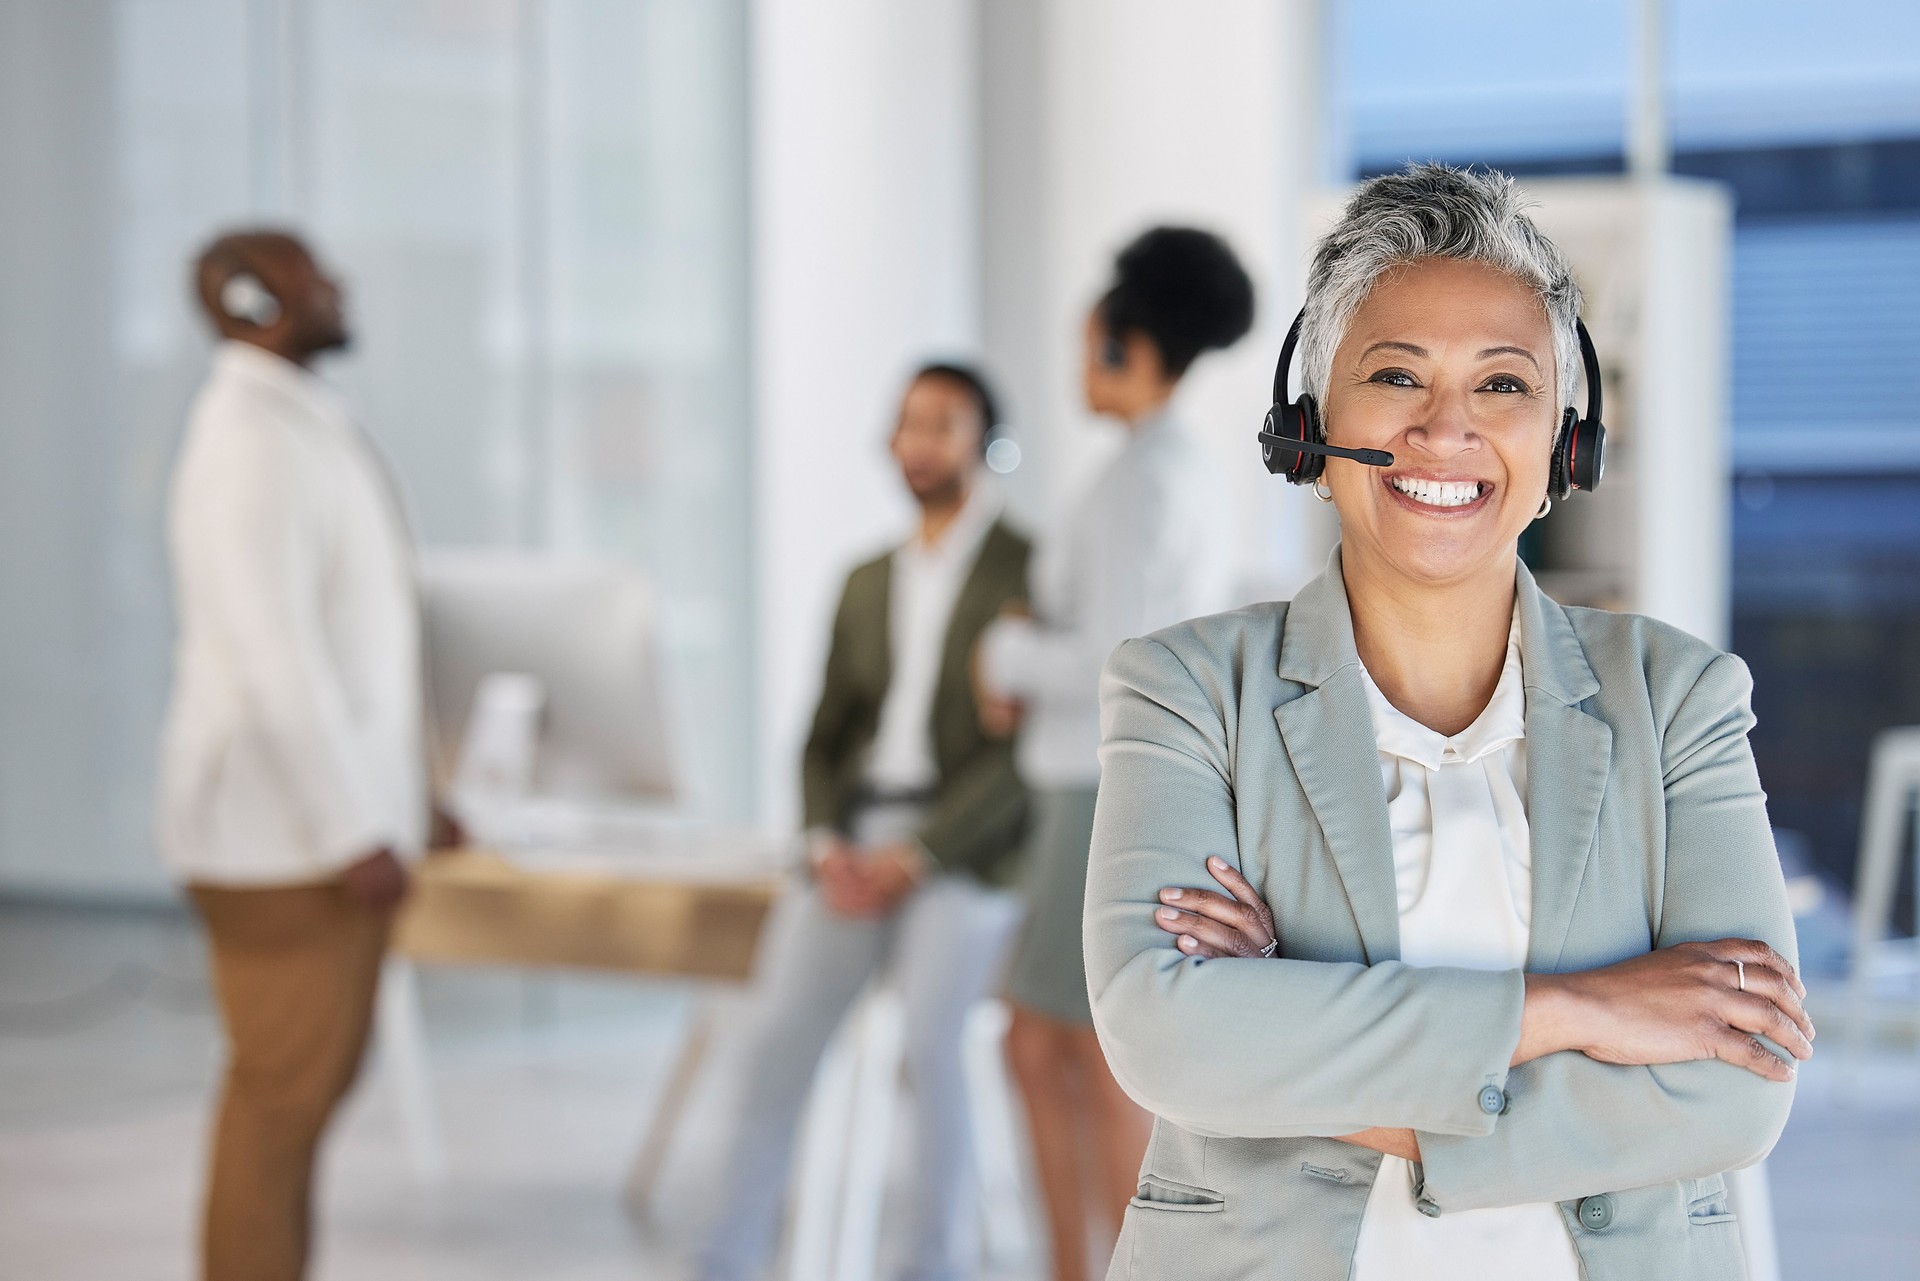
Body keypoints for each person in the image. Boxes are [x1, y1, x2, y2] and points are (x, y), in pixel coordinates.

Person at [1086, 165, 1811, 1280]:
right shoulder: (1184, 689)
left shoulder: (1680, 698)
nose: (1445, 429)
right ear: (1310, 427)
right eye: (1395, 375)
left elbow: (1740, 1079)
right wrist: (1578, 1011)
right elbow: (1166, 1036)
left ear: (1566, 443)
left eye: (1503, 384)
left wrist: (1288, 1034)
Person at [158, 230, 456, 1281]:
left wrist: (415, 795)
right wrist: (352, 827)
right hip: (281, 840)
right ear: (256, 300)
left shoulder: (294, 424)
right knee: (280, 1103)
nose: (338, 288)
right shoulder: (249, 444)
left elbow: (362, 641)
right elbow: (273, 654)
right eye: (314, 276)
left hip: (319, 829)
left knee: (301, 1095)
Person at [695, 363, 1031, 1281]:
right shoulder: (865, 581)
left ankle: (931, 1266)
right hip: (854, 841)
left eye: (944, 423)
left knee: (929, 1047)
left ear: (986, 442)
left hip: (965, 853)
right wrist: (823, 842)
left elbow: (1022, 757)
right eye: (909, 423)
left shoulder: (1026, 569)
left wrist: (921, 853)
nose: (921, 442)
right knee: (772, 1038)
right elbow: (822, 736)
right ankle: (721, 1258)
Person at [977, 227, 1253, 1281]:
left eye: (1085, 342)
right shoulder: (1158, 468)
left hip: (1099, 790)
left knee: (1071, 1046)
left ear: (1123, 344)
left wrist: (1002, 651)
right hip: (1096, 786)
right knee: (1060, 1043)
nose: (1076, 364)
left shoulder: (1144, 477)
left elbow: (1115, 656)